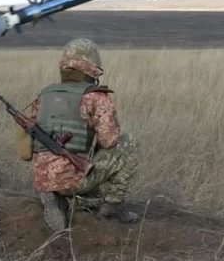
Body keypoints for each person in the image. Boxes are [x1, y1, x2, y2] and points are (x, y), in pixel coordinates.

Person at [22, 38, 138, 230]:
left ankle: (53, 195)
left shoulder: (44, 95)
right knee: (128, 143)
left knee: (65, 169)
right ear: (91, 64)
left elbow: (25, 149)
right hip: (73, 179)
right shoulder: (96, 97)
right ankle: (112, 205)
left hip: (42, 178)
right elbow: (109, 141)